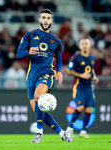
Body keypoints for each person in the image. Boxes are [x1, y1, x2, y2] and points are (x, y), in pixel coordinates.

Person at [16, 9, 73, 143]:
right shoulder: (30, 36)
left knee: (38, 96)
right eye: (44, 18)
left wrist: (58, 71)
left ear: (51, 21)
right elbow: (18, 54)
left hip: (46, 74)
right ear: (40, 19)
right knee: (39, 109)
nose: (46, 20)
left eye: (48, 18)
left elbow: (58, 57)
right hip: (31, 77)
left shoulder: (56, 41)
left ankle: (38, 132)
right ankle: (62, 133)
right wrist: (28, 52)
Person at [66, 39, 99, 138]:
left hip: (89, 86)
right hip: (78, 86)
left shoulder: (92, 58)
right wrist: (81, 75)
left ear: (89, 46)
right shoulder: (76, 58)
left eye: (86, 44)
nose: (84, 46)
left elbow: (91, 69)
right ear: (79, 47)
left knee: (89, 109)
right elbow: (69, 71)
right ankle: (70, 128)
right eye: (82, 44)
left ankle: (83, 132)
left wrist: (94, 76)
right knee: (80, 107)